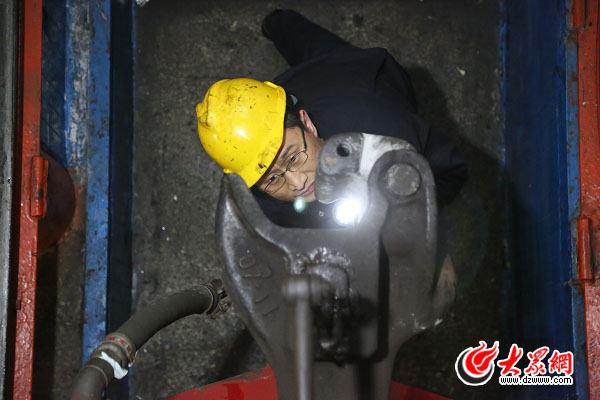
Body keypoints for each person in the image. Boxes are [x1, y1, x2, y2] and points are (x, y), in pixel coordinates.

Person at [196, 10, 468, 228]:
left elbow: (448, 169)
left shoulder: (388, 131)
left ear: (307, 122)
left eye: (293, 158)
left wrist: (425, 206)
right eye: (273, 178)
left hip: (352, 76)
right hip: (295, 86)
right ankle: (276, 23)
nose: (297, 184)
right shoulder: (259, 189)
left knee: (309, 42)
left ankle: (278, 21)